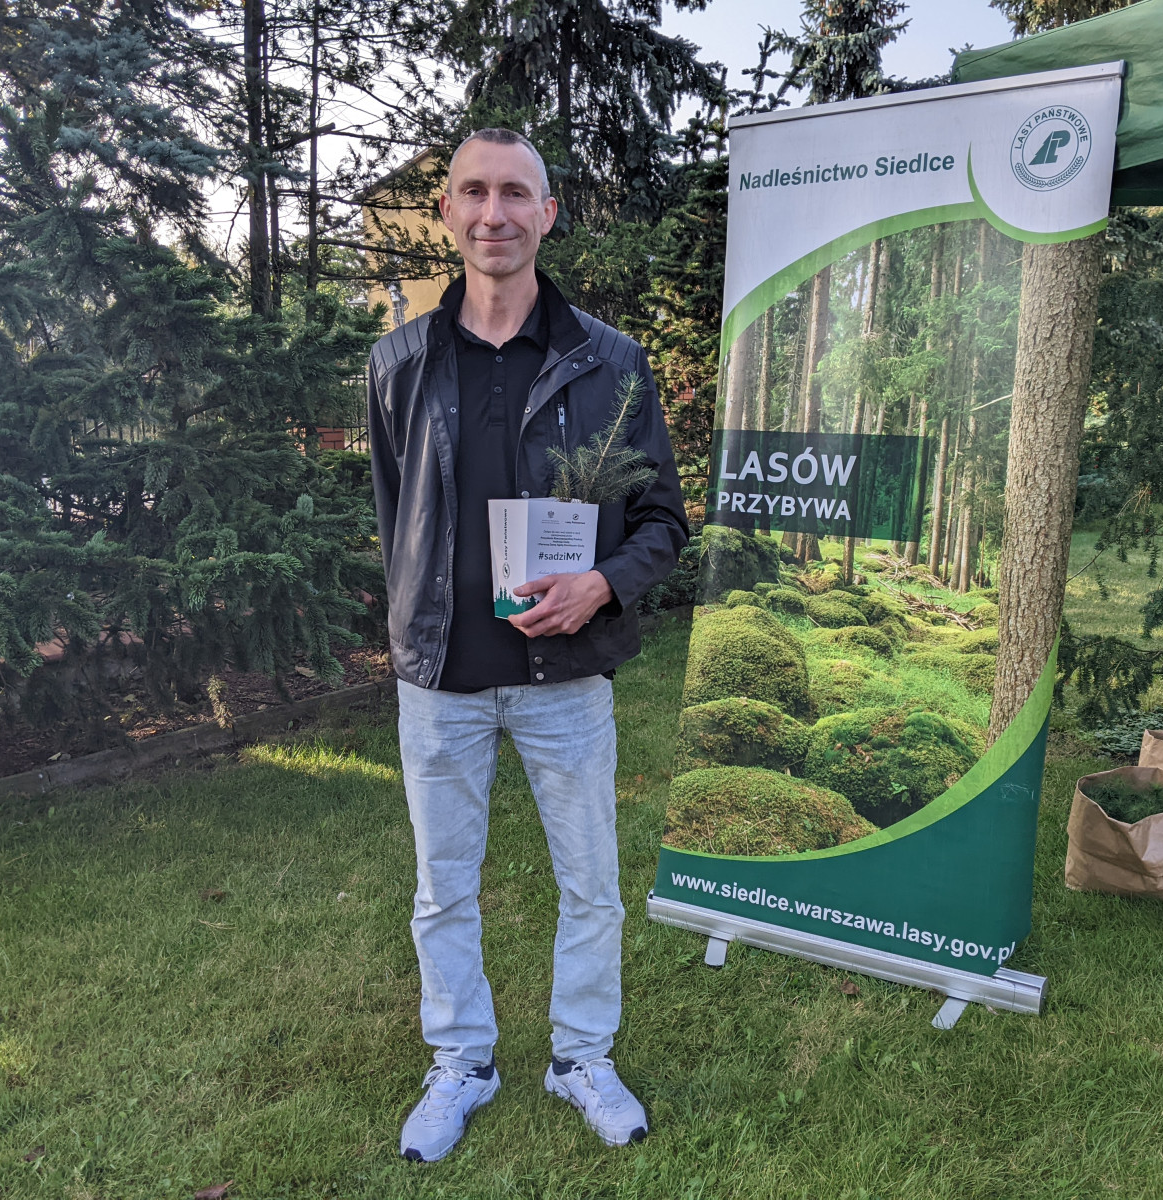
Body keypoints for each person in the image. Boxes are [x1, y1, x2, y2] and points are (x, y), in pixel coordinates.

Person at [365, 128, 689, 1162]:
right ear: (447, 212)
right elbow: (395, 515)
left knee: (591, 885)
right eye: (474, 192)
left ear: (548, 214)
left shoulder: (611, 362)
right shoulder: (400, 362)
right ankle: (462, 1062)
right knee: (441, 889)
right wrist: (413, 621)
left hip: (566, 679)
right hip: (441, 678)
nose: (493, 213)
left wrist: (601, 583)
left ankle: (580, 1057)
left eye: (516, 193)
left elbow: (664, 521)